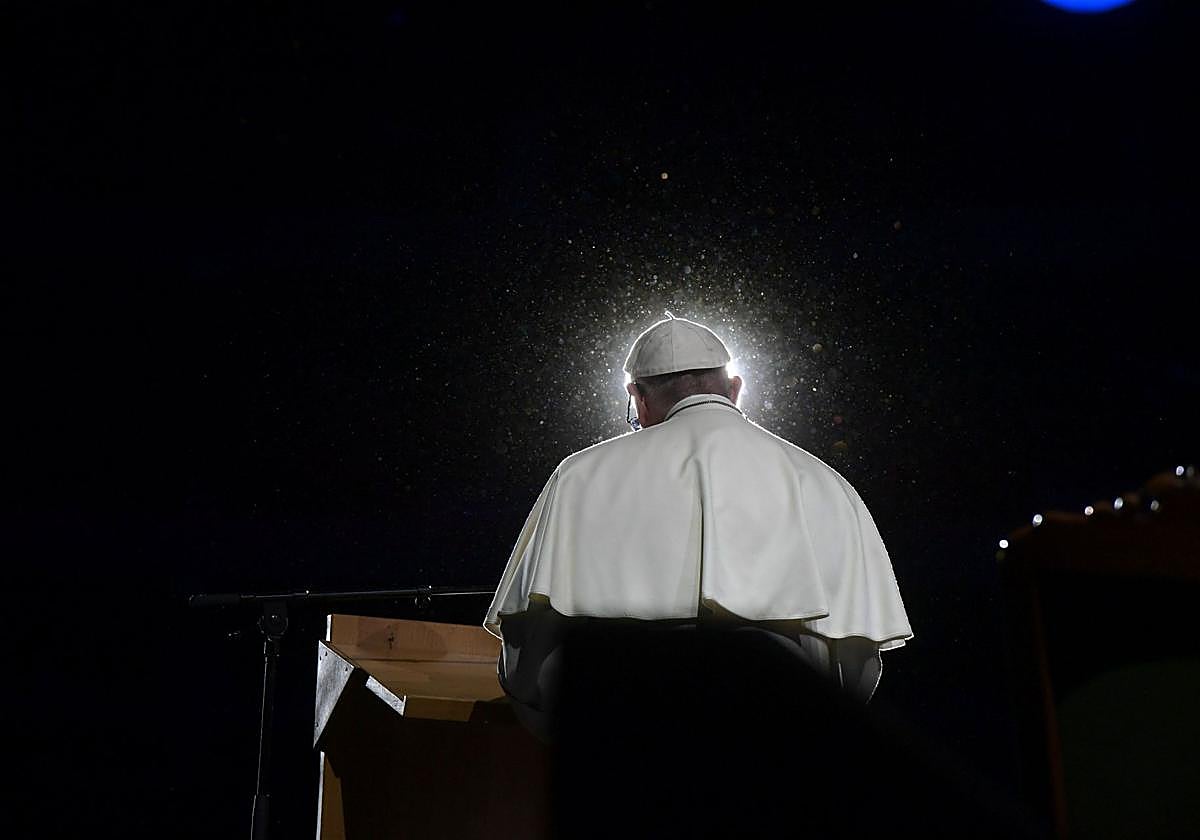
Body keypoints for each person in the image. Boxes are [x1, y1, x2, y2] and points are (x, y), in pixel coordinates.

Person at [483, 312, 913, 743]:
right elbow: (855, 665)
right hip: (774, 750)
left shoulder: (580, 475)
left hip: (621, 745)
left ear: (638, 398)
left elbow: (528, 656)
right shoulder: (824, 483)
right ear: (735, 389)